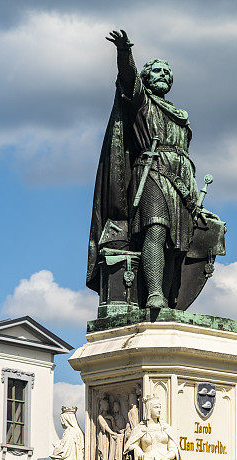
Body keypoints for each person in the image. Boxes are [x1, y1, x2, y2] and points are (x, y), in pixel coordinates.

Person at [88, 30, 201, 310]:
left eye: (167, 71)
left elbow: (185, 154)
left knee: (179, 243)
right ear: (147, 78)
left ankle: (169, 298)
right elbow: (128, 77)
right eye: (157, 70)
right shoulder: (141, 102)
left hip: (183, 181)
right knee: (155, 229)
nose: (162, 74)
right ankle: (153, 294)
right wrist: (125, 52)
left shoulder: (181, 116)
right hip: (152, 173)